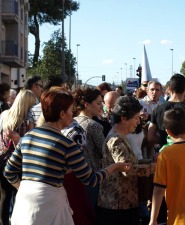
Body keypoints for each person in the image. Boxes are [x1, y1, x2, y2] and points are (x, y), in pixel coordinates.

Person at [3, 89, 131, 225]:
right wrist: (116, 166)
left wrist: (25, 189)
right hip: (51, 207)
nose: (73, 114)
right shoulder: (66, 144)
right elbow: (91, 179)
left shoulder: (28, 137)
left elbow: (9, 172)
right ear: (62, 114)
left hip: (24, 204)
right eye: (71, 110)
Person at [97, 96, 155, 225]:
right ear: (123, 118)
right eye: (135, 118)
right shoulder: (116, 140)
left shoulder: (121, 137)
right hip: (117, 207)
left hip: (123, 204)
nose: (138, 122)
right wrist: (155, 167)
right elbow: (128, 169)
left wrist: (149, 163)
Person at [0, 89, 36, 225]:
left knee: (5, 196)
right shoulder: (26, 121)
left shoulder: (4, 115)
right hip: (20, 162)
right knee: (20, 196)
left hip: (3, 160)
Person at [73, 88, 106, 209]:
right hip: (91, 176)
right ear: (86, 105)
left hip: (73, 175)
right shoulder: (94, 125)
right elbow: (105, 151)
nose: (101, 106)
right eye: (98, 103)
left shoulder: (71, 122)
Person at [148, 74, 185, 155]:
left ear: (169, 89)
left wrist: (164, 140)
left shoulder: (158, 109)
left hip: (165, 153)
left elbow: (150, 137)